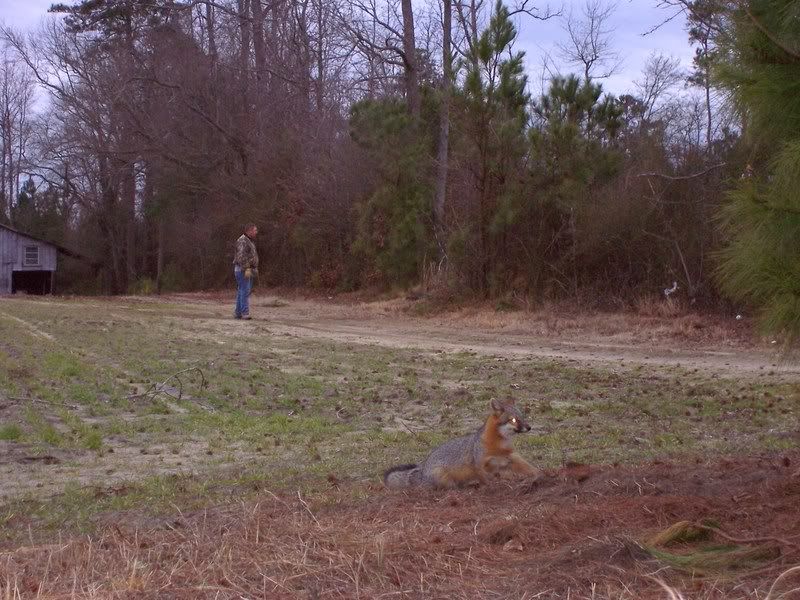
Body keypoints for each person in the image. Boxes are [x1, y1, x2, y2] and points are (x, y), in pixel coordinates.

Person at [233, 223, 259, 319]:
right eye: (255, 230)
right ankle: (245, 313)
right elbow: (241, 257)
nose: (256, 232)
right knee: (244, 291)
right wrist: (247, 268)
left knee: (242, 290)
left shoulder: (249, 241)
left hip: (247, 269)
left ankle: (238, 313)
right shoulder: (243, 241)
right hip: (242, 270)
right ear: (249, 231)